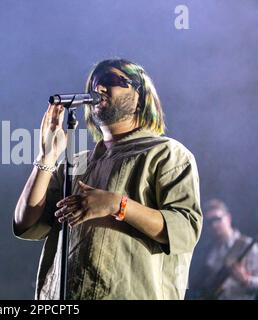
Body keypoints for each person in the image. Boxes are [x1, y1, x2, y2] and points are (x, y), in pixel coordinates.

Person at [13, 58, 203, 300]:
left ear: (140, 96)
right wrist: (47, 156)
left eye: (112, 81)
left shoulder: (167, 153)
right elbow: (25, 224)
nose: (99, 89)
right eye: (95, 84)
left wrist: (118, 205)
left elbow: (185, 231)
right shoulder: (77, 161)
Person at [195, 199, 258, 299]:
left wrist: (246, 280)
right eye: (210, 222)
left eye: (217, 219)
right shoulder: (210, 251)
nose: (214, 225)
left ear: (228, 218)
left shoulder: (246, 246)